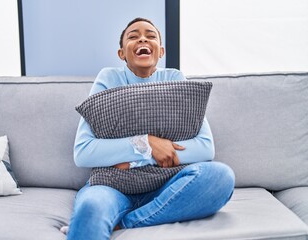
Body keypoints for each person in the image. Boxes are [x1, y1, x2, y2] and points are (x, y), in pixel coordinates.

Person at [66, 17, 235, 240]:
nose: (142, 38)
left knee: (220, 176)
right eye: (133, 36)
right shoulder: (108, 78)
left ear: (160, 51)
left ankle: (128, 223)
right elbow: (84, 152)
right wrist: (147, 143)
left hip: (168, 186)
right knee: (91, 208)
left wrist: (139, 157)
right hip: (112, 186)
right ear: (121, 54)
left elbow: (204, 148)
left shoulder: (175, 78)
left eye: (150, 36)